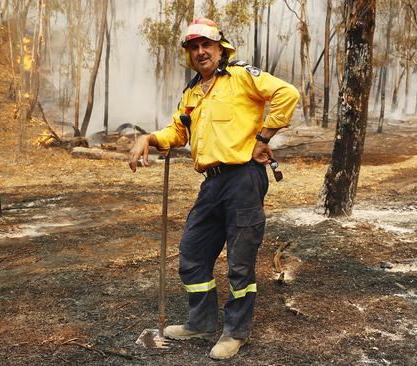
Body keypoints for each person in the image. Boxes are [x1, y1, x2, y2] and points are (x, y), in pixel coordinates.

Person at [128, 18, 299, 360]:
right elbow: (178, 133)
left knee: (239, 263)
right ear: (190, 54)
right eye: (194, 47)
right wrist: (149, 137)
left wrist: (263, 137)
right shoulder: (192, 92)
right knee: (192, 255)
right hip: (212, 183)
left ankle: (236, 331)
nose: (200, 52)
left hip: (243, 181)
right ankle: (201, 322)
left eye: (207, 45)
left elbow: (287, 93)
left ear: (221, 49)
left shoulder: (240, 77)